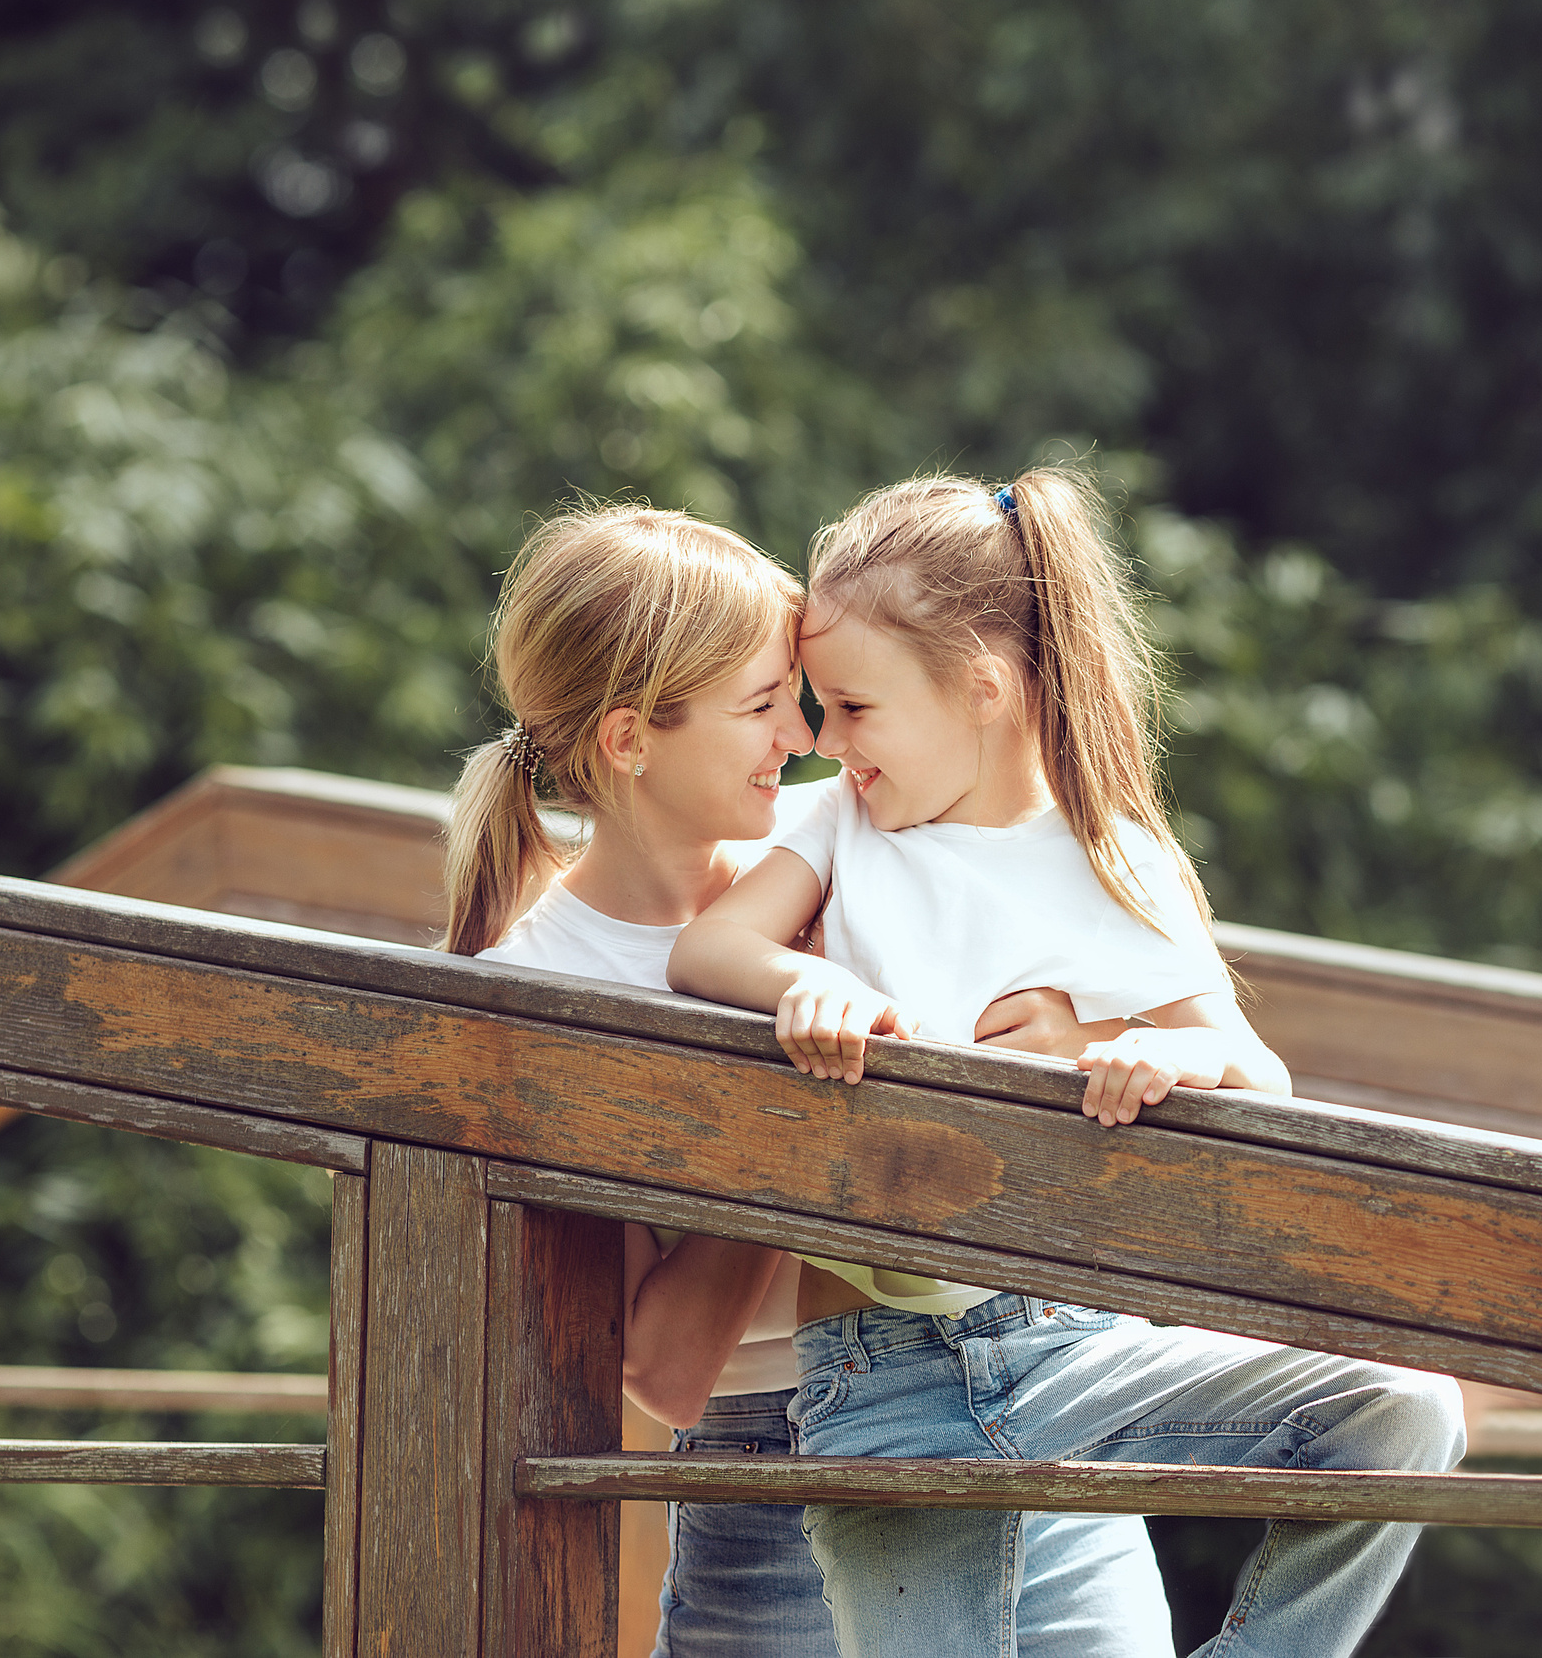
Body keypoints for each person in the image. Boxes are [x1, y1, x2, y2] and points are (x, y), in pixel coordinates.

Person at [670, 469, 1468, 1658]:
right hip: (880, 1382)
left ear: (982, 689)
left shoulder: (1115, 859)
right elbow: (709, 948)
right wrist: (811, 984)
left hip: (1070, 1342)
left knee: (1401, 1409)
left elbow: (1255, 1072)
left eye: (851, 709)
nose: (827, 744)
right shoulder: (837, 825)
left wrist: (1150, 1052)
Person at [441, 502, 1173, 1657]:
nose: (807, 736)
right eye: (762, 705)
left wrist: (1073, 1027)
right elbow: (665, 1374)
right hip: (771, 1470)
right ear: (631, 739)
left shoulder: (856, 837)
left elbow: (1126, 993)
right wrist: (804, 1115)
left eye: (805, 694)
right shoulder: (537, 986)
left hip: (1015, 1395)